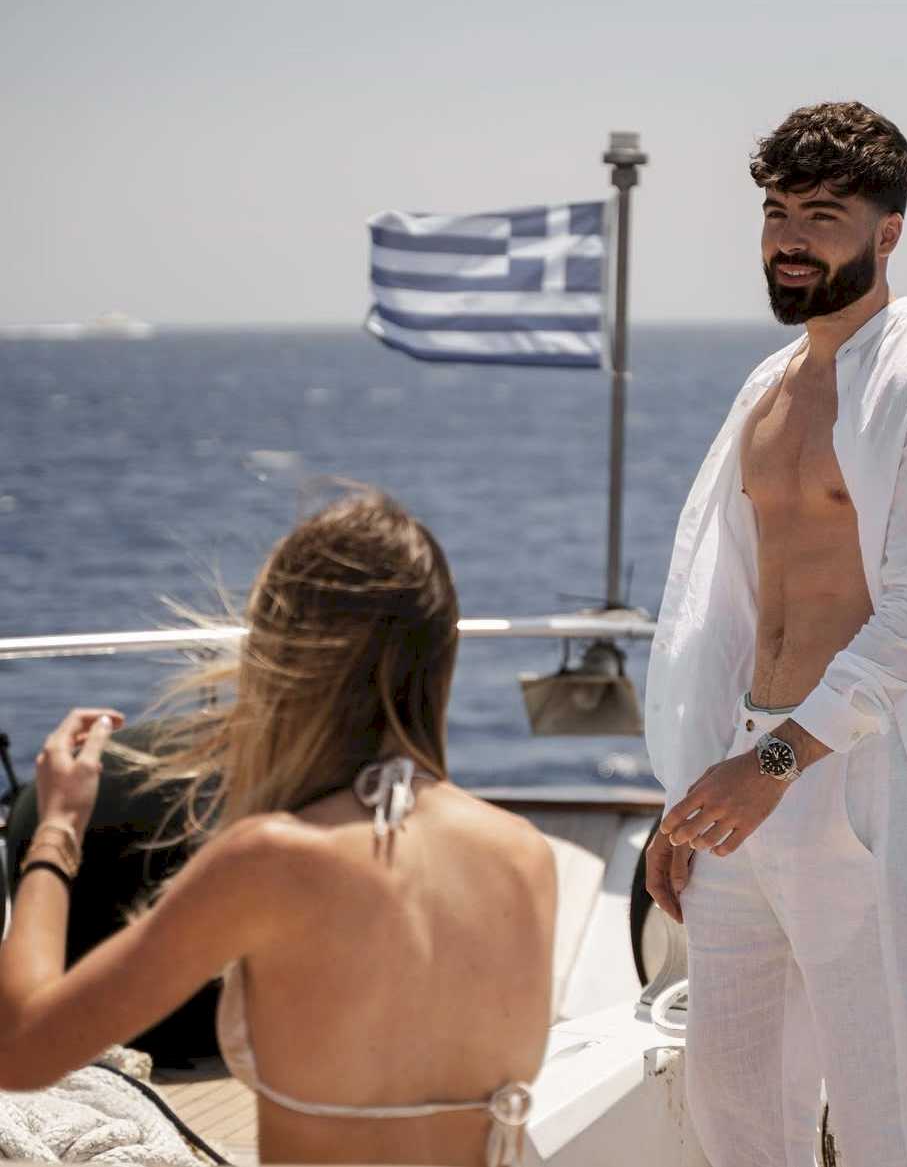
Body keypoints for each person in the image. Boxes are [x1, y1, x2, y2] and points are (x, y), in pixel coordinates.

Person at [644, 101, 907, 1166]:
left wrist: (769, 765)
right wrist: (688, 793)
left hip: (860, 779)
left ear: (887, 232)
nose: (789, 240)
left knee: (881, 1104)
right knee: (730, 1098)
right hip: (743, 773)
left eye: (821, 216)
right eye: (775, 212)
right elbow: (721, 607)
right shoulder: (766, 389)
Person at [0, 488, 557, 1167]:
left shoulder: (272, 860)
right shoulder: (525, 853)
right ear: (441, 656)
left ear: (282, 659)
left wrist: (56, 827)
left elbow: (22, 1049)